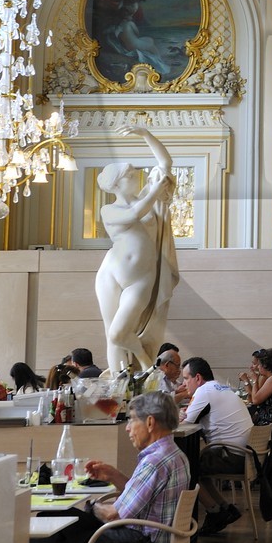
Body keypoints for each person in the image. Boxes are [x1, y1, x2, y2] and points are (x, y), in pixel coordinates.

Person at [38, 391, 191, 543]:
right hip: (149, 541)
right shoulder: (175, 454)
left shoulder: (155, 462)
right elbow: (143, 498)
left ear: (150, 422)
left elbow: (113, 515)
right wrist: (113, 475)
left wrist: (93, 506)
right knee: (53, 517)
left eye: (132, 420)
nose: (127, 428)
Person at [94, 125, 179, 373]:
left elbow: (165, 163)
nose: (136, 178)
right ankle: (119, 385)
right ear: (116, 184)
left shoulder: (150, 201)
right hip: (110, 272)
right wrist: (154, 191)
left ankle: (142, 357)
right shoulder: (109, 210)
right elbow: (133, 214)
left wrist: (145, 135)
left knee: (119, 333)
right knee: (111, 334)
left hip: (141, 277)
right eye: (130, 176)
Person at [181, 357, 252, 535]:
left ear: (198, 378)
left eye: (186, 378)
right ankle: (223, 508)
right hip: (247, 456)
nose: (184, 383)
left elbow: (185, 423)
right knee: (198, 468)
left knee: (185, 471)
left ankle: (215, 512)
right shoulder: (221, 387)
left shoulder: (204, 391)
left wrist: (178, 415)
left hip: (231, 457)